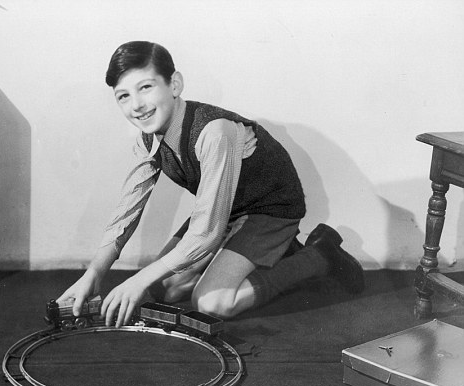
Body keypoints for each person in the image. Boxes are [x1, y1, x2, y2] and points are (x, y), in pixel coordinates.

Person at [57, 41, 364, 327]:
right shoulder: (148, 138)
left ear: (174, 84)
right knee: (162, 288)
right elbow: (127, 211)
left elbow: (206, 232)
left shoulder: (214, 132)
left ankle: (319, 255)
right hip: (224, 209)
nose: (136, 105)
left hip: (269, 209)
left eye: (146, 87)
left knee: (211, 302)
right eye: (123, 96)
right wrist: (94, 273)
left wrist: (134, 281)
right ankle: (268, 255)